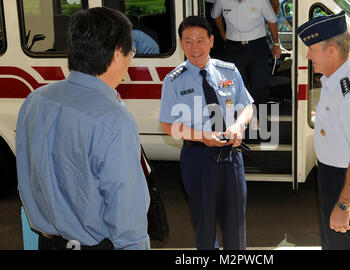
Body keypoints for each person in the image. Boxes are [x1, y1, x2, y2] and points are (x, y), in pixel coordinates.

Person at [15, 7, 150, 250]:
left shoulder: (36, 99)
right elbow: (126, 214)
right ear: (117, 54)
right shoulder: (113, 120)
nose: (131, 59)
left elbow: (26, 174)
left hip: (46, 242)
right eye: (130, 51)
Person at [159, 16, 253, 250]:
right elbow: (168, 126)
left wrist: (239, 126)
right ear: (181, 44)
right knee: (205, 224)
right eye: (188, 41)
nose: (194, 47)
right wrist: (203, 137)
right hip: (197, 159)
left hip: (231, 156)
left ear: (211, 41)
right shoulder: (173, 81)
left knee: (236, 223)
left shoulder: (228, 71)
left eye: (200, 40)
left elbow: (247, 106)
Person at [297, 11, 350, 250]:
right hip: (331, 177)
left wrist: (344, 206)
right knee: (333, 244)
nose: (308, 55)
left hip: (345, 179)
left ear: (331, 51)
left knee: (346, 244)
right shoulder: (332, 82)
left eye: (312, 48)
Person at [211, 0, 281, 106]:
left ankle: (260, 119)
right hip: (233, 48)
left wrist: (276, 44)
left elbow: (272, 20)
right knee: (235, 87)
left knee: (260, 85)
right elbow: (215, 15)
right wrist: (222, 34)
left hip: (257, 46)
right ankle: (241, 119)